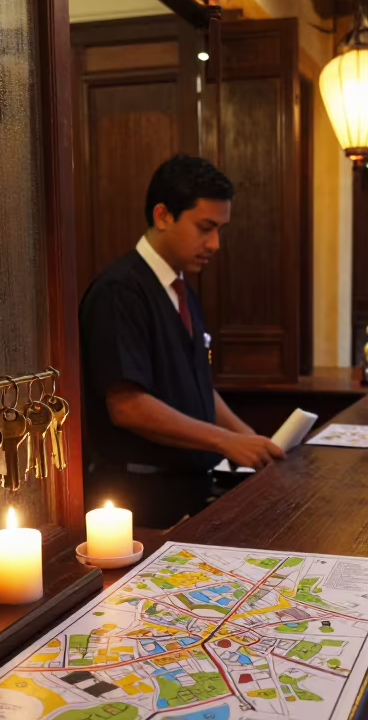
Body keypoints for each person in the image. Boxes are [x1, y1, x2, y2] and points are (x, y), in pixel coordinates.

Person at [79, 155, 284, 529]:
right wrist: (224, 441)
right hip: (139, 498)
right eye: (205, 228)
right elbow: (128, 406)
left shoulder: (181, 290)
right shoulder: (120, 290)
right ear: (162, 216)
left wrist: (248, 437)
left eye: (220, 230)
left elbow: (198, 387)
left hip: (188, 488)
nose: (215, 244)